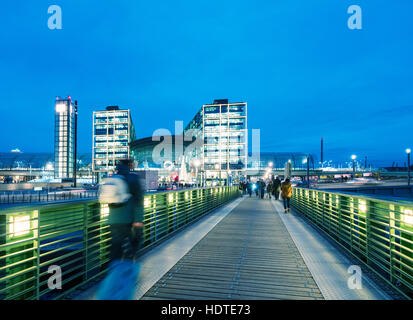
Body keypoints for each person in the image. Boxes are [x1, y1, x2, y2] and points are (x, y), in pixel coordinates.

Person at [97, 159, 144, 300]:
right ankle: (125, 284)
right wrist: (138, 220)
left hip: (113, 220)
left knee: (115, 250)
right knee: (132, 248)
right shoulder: (133, 178)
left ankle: (111, 284)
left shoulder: (112, 178)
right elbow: (138, 201)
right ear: (130, 166)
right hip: (129, 220)